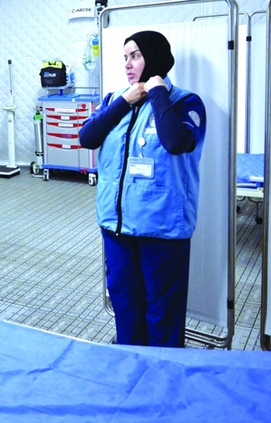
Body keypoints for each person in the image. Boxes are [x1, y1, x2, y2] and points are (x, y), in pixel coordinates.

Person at [79, 30, 206, 347]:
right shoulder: (115, 99)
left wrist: (157, 92)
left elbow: (176, 142)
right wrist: (125, 101)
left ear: (155, 57)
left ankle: (164, 369)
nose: (127, 64)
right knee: (125, 305)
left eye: (135, 55)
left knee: (163, 313)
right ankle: (130, 360)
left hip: (161, 229)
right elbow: (87, 137)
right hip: (117, 227)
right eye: (125, 57)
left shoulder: (186, 102)